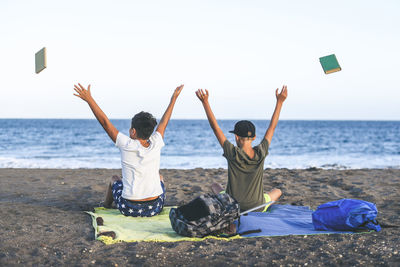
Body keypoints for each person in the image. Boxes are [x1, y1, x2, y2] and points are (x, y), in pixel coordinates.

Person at [74, 83, 184, 217]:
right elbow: (164, 123)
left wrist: (89, 100)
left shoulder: (126, 144)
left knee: (114, 178)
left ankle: (106, 206)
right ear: (151, 131)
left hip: (128, 207)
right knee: (160, 177)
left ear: (133, 131)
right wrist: (174, 99)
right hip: (155, 207)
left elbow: (105, 123)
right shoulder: (156, 142)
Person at [195, 86, 287, 212]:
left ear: (237, 137)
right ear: (254, 137)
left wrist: (205, 102)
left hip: (233, 207)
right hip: (257, 207)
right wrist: (280, 102)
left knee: (215, 186)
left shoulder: (232, 152)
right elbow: (272, 128)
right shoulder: (261, 151)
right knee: (277, 191)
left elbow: (216, 128)